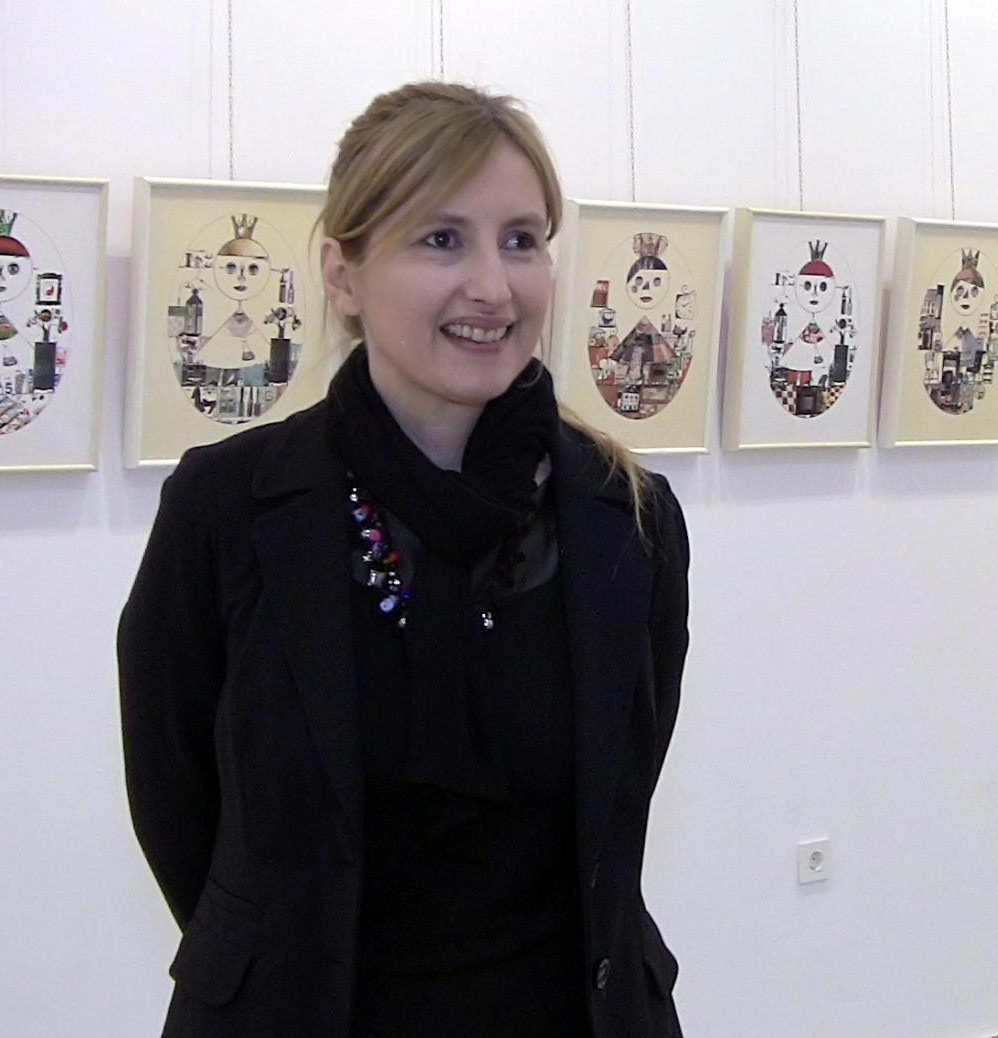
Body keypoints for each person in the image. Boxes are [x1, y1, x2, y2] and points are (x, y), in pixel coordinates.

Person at [118, 81, 690, 1037]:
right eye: (441, 239)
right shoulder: (228, 506)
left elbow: (618, 806)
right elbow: (177, 803)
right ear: (343, 275)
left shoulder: (628, 519)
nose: (493, 286)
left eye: (521, 239)